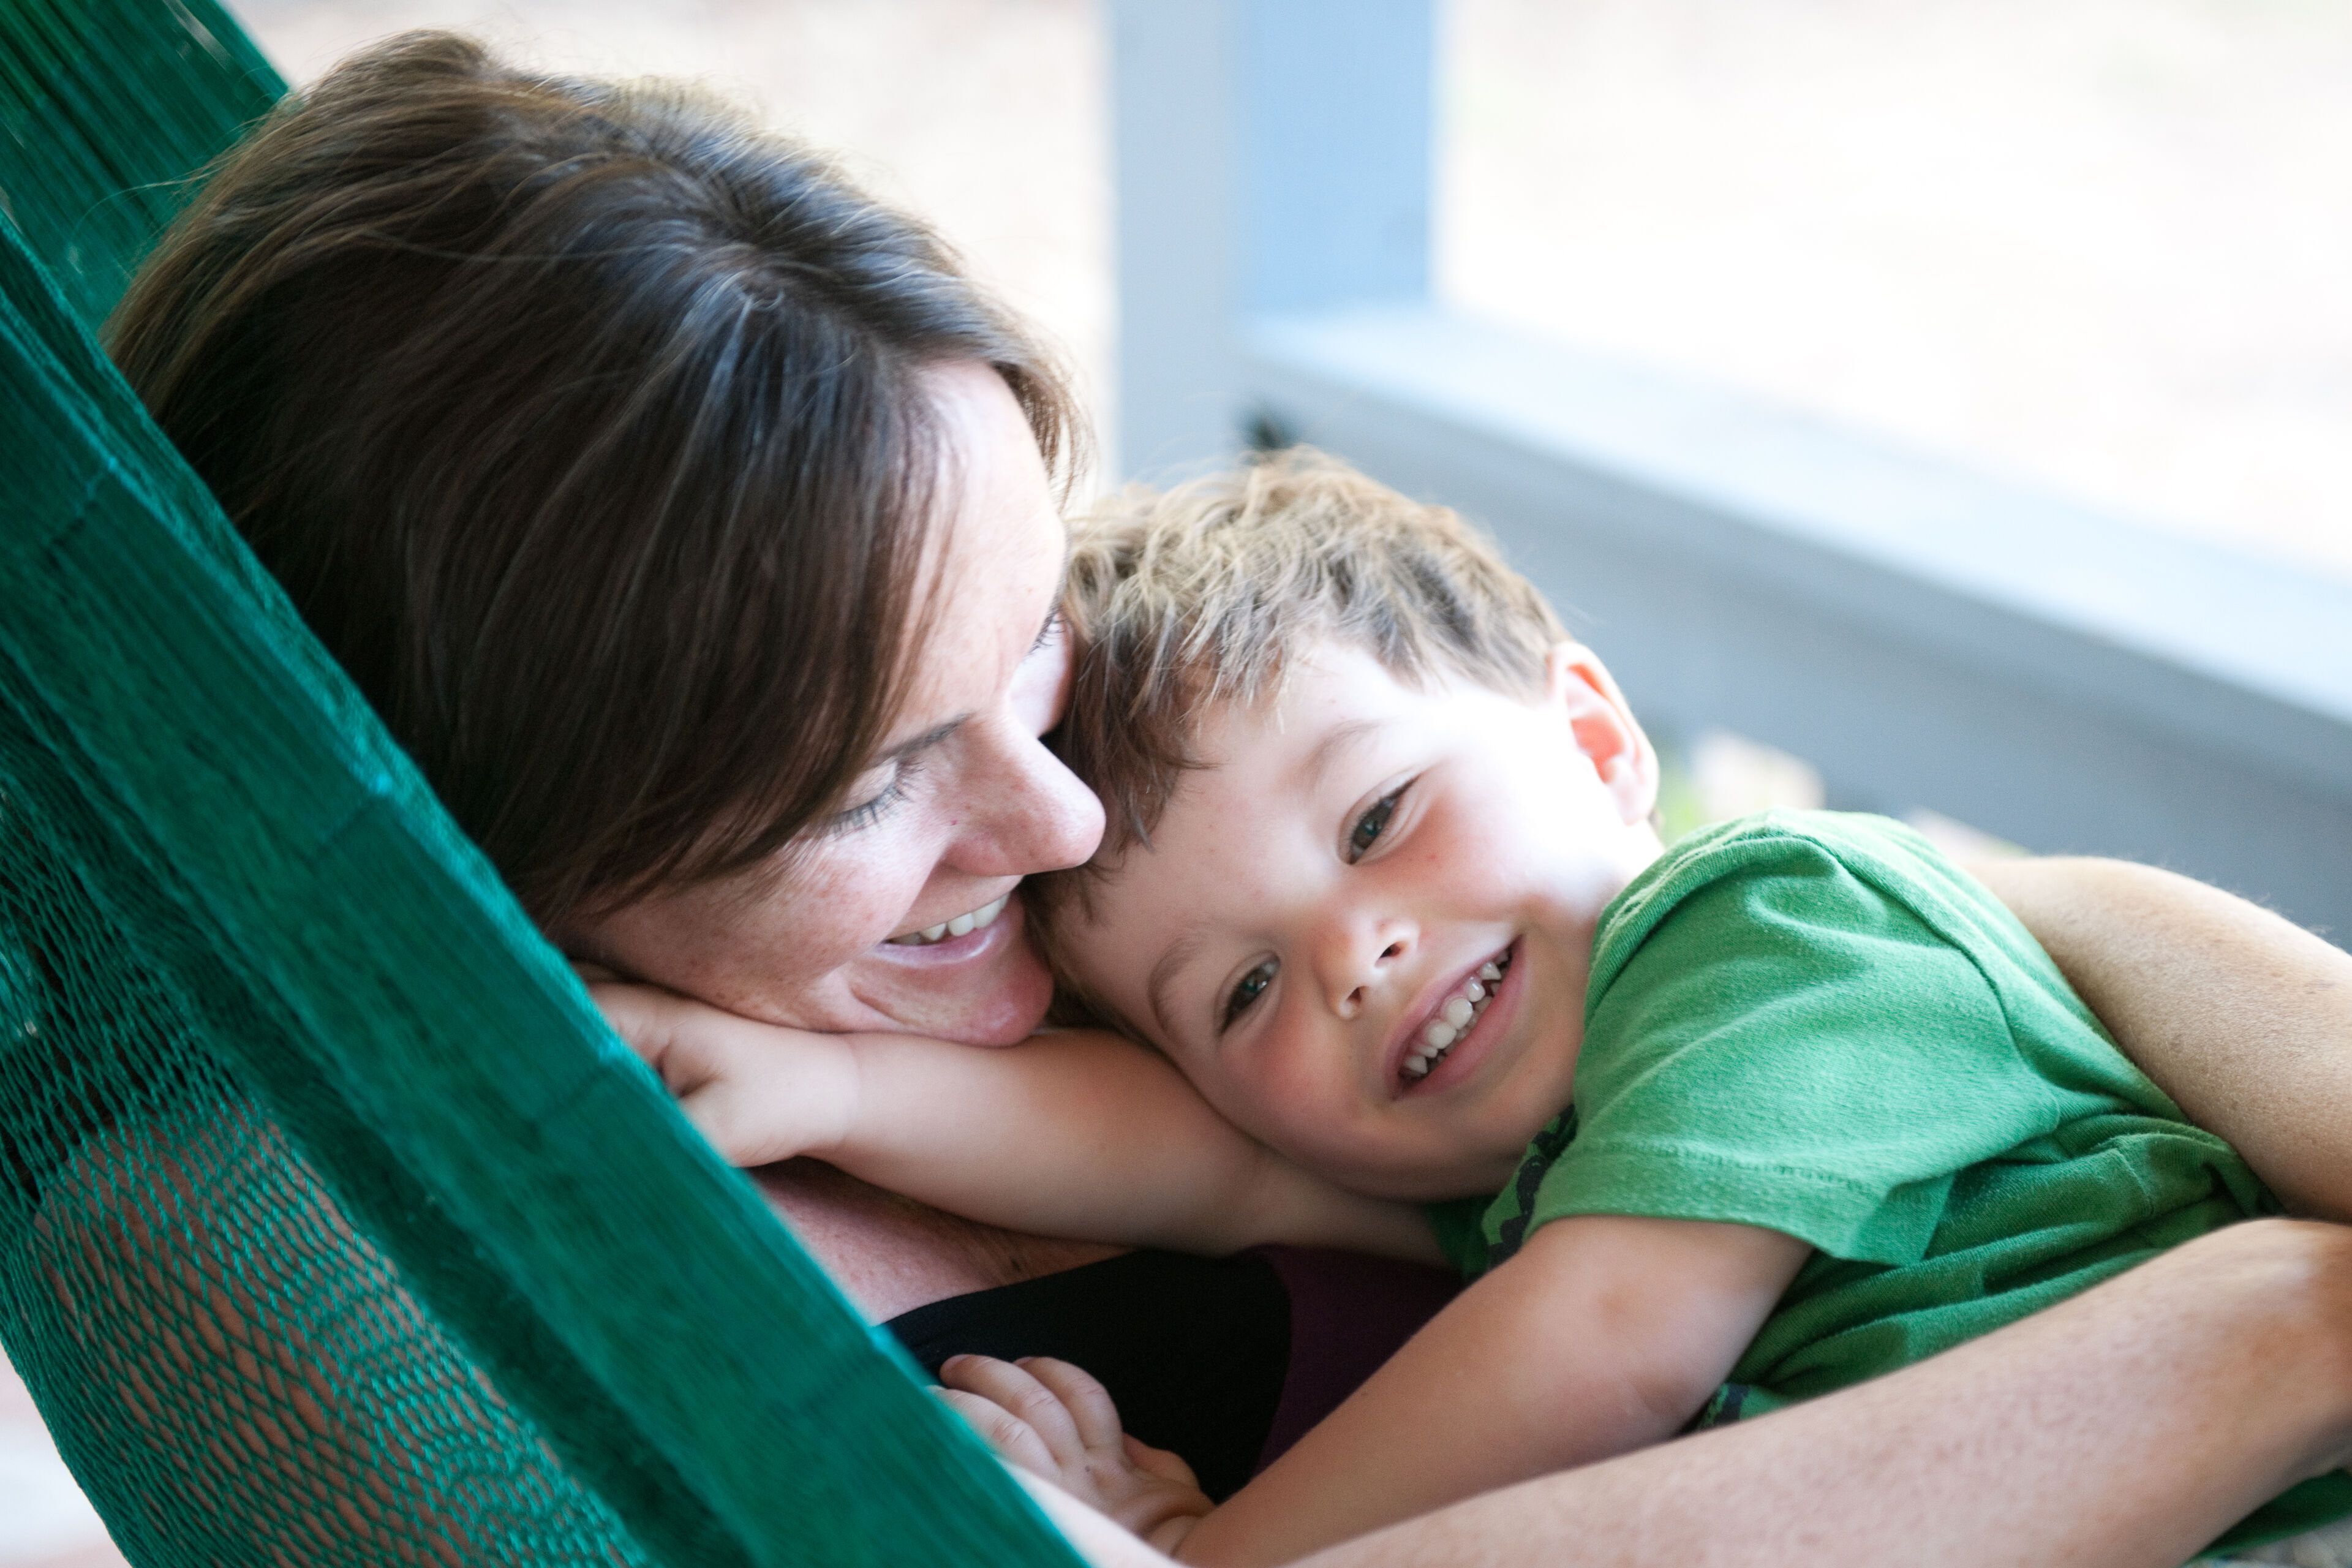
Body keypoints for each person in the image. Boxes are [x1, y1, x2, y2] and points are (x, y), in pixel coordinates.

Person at [102, 30, 2352, 1568]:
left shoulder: (1213, 955)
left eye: (1021, 657)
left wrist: (2054, 925)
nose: (1064, 827)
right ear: (478, 838)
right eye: (873, 776)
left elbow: (1938, 975)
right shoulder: (301, 1269)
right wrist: (2245, 1337)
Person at [597, 451, 2352, 1564]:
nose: (1355, 954)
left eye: (1379, 822)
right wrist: (818, 1091)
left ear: (1594, 739)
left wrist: (1225, 1558)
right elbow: (1190, 1166)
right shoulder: (1508, 1163)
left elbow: (1608, 1354)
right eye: (1245, 990)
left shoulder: (1772, 932)